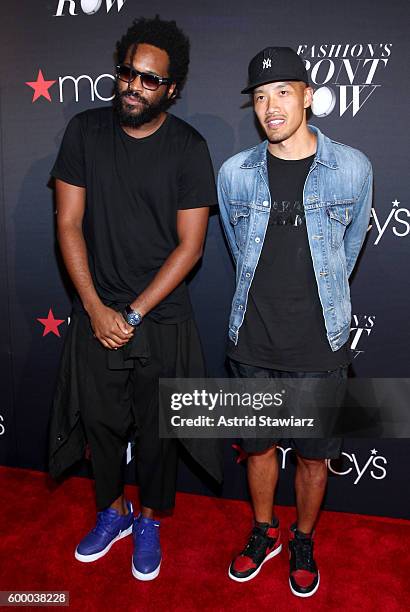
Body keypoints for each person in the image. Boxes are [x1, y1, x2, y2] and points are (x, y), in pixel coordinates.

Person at [49, 16, 220, 581]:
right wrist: (97, 309)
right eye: (128, 73)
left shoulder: (190, 147)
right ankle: (113, 511)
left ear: (171, 89)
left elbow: (191, 246)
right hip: (96, 311)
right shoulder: (83, 131)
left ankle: (149, 520)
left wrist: (132, 312)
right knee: (99, 427)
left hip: (161, 316)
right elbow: (68, 224)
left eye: (149, 80)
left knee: (157, 432)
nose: (133, 87)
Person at [218, 46, 372, 597]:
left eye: (283, 91)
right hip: (252, 342)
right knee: (257, 448)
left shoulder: (353, 167)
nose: (271, 105)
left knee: (313, 456)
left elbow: (349, 252)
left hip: (319, 346)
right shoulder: (234, 174)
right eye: (260, 96)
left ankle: (303, 536)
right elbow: (240, 252)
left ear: (308, 95)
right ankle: (265, 530)